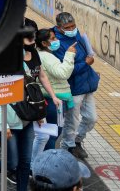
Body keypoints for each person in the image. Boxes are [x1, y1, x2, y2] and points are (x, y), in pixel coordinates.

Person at [53, 12, 99, 159]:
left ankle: (78, 140)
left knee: (91, 118)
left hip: (87, 84)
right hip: (73, 88)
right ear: (59, 28)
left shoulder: (77, 34)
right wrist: (86, 63)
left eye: (73, 25)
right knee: (72, 120)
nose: (72, 29)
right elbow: (67, 70)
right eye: (67, 27)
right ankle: (68, 145)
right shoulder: (56, 44)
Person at [34, 27, 76, 157]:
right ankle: (46, 164)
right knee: (52, 134)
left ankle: (41, 163)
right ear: (44, 43)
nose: (56, 40)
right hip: (55, 100)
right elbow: (63, 73)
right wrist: (70, 55)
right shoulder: (46, 57)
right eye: (53, 39)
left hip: (48, 99)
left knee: (47, 134)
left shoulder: (38, 54)